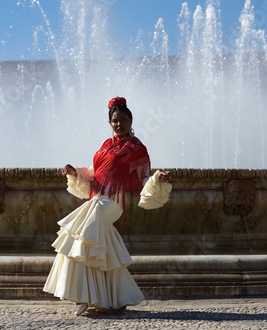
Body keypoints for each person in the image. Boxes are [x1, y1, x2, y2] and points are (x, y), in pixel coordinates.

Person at [43, 97, 172, 316]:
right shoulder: (106, 144)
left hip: (112, 201)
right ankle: (114, 298)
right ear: (110, 123)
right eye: (115, 120)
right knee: (98, 248)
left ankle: (82, 297)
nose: (119, 124)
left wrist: (158, 179)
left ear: (131, 121)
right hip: (96, 197)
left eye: (123, 119)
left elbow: (144, 176)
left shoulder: (136, 147)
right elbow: (95, 171)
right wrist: (74, 172)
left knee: (79, 237)